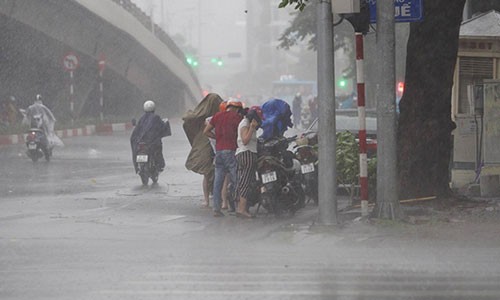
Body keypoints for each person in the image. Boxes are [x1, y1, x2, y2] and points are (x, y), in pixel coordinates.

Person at [203, 100, 243, 217]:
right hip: (231, 151)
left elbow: (206, 131)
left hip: (219, 151)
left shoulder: (217, 116)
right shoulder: (237, 117)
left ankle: (216, 208)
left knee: (218, 181)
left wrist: (217, 138)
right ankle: (238, 206)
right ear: (236, 109)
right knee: (236, 180)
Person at [183, 93, 223, 208]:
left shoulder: (209, 118)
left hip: (215, 148)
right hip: (213, 148)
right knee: (214, 174)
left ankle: (211, 199)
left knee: (212, 174)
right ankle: (216, 199)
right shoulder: (208, 118)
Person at [235, 106, 263, 218]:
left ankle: (242, 207)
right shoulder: (245, 124)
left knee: (245, 180)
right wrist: (252, 128)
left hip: (246, 154)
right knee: (245, 182)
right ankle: (241, 209)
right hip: (247, 154)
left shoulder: (245, 123)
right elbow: (245, 140)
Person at [130, 100, 170, 173]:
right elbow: (161, 126)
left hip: (141, 141)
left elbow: (138, 128)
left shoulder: (142, 118)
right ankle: (159, 165)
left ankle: (138, 167)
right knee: (158, 150)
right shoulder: (156, 117)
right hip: (152, 142)